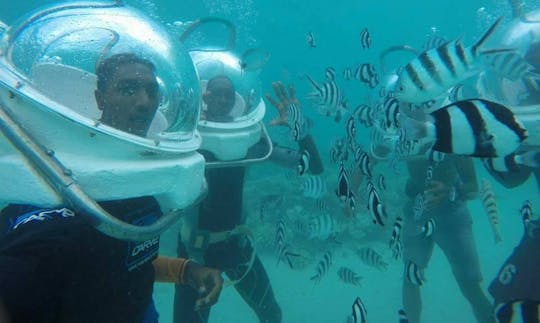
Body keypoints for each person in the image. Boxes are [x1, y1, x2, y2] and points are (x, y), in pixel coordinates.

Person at [0, 53, 223, 323]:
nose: (144, 102)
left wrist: (185, 271)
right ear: (99, 98)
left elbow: (121, 259)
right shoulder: (60, 199)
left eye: (152, 91)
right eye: (128, 89)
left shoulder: (142, 174)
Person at [173, 77, 323, 323]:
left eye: (228, 96)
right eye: (217, 94)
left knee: (272, 314)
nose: (223, 100)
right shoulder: (187, 139)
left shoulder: (249, 141)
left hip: (236, 244)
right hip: (193, 251)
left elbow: (314, 167)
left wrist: (299, 126)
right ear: (205, 97)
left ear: (236, 102)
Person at [401, 154, 495, 323]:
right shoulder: (402, 134)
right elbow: (373, 155)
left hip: (452, 213)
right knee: (411, 277)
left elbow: (473, 187)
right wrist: (349, 195)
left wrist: (451, 191)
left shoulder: (452, 135)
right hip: (417, 210)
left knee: (469, 283)